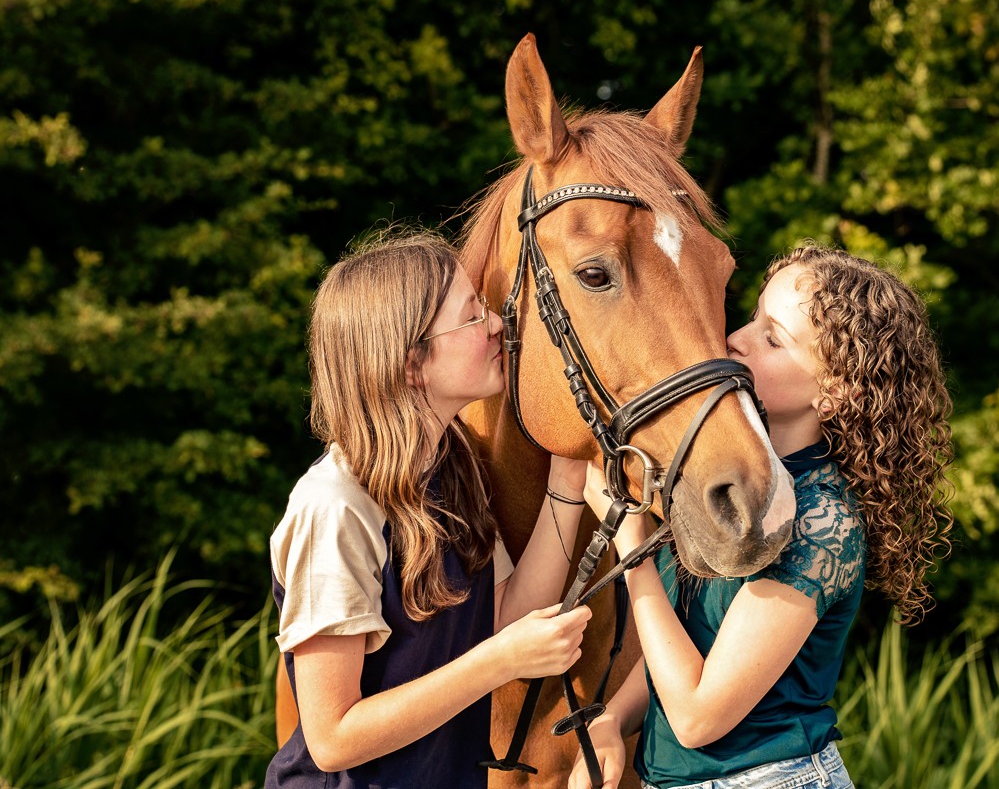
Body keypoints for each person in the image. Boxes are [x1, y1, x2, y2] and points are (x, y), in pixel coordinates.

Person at [569, 242, 954, 789]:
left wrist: (634, 551)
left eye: (773, 339)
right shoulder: (743, 485)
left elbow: (698, 716)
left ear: (834, 394)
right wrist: (613, 718)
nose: (735, 340)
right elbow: (692, 641)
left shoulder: (822, 522)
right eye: (753, 319)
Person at [265, 230, 592, 789]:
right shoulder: (335, 508)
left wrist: (566, 478)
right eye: (471, 316)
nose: (496, 325)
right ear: (411, 362)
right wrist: (501, 662)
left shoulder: (452, 467)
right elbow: (332, 738)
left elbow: (505, 615)